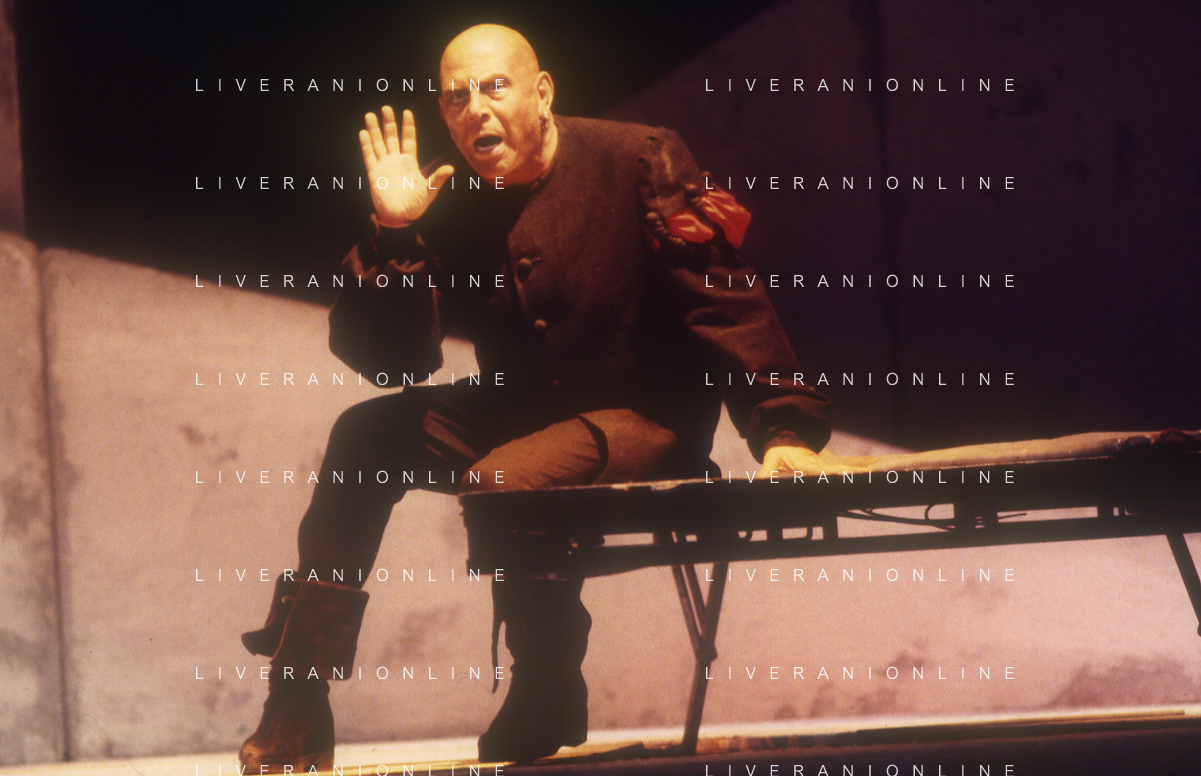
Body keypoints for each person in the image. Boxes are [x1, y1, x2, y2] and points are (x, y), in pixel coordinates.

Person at [238, 23, 832, 772]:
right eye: (457, 98)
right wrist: (393, 234)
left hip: (645, 417)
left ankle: (546, 678)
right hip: (521, 409)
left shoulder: (639, 159)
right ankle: (297, 698)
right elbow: (394, 363)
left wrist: (783, 428)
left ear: (542, 92)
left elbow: (723, 300)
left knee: (503, 479)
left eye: (495, 87)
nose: (476, 110)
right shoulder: (444, 198)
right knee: (365, 437)